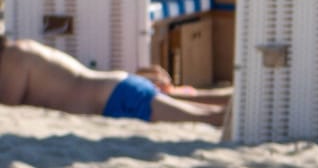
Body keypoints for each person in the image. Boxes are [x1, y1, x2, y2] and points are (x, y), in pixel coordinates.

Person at [0, 36, 223, 126]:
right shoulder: (22, 48)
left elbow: (7, 108)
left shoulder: (11, 60)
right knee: (204, 107)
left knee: (207, 118)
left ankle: (253, 114)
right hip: (119, 88)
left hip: (117, 99)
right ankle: (248, 99)